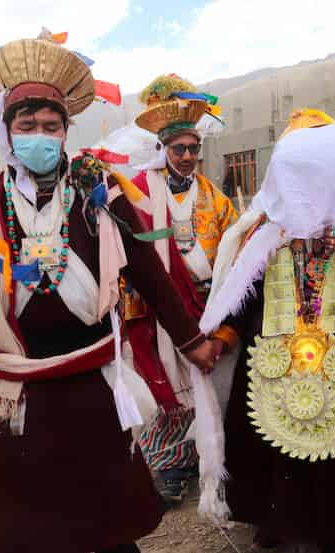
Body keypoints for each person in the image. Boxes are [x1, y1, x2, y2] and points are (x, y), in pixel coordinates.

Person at [0, 31, 215, 553]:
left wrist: (190, 339)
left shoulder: (98, 190)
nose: (39, 135)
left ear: (65, 130)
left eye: (50, 126)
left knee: (100, 525)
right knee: (18, 528)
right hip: (13, 391)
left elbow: (149, 273)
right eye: (27, 126)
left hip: (88, 381)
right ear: (7, 130)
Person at [200, 109, 335, 553]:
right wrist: (223, 335)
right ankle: (273, 516)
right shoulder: (267, 233)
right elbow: (245, 292)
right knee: (272, 445)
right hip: (274, 357)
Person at [124, 74, 238, 505]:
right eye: (179, 149)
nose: (188, 156)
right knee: (165, 380)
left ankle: (210, 455)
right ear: (163, 149)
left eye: (193, 148)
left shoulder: (215, 197)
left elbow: (233, 246)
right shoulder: (138, 195)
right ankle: (170, 467)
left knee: (207, 380)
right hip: (159, 306)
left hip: (208, 302)